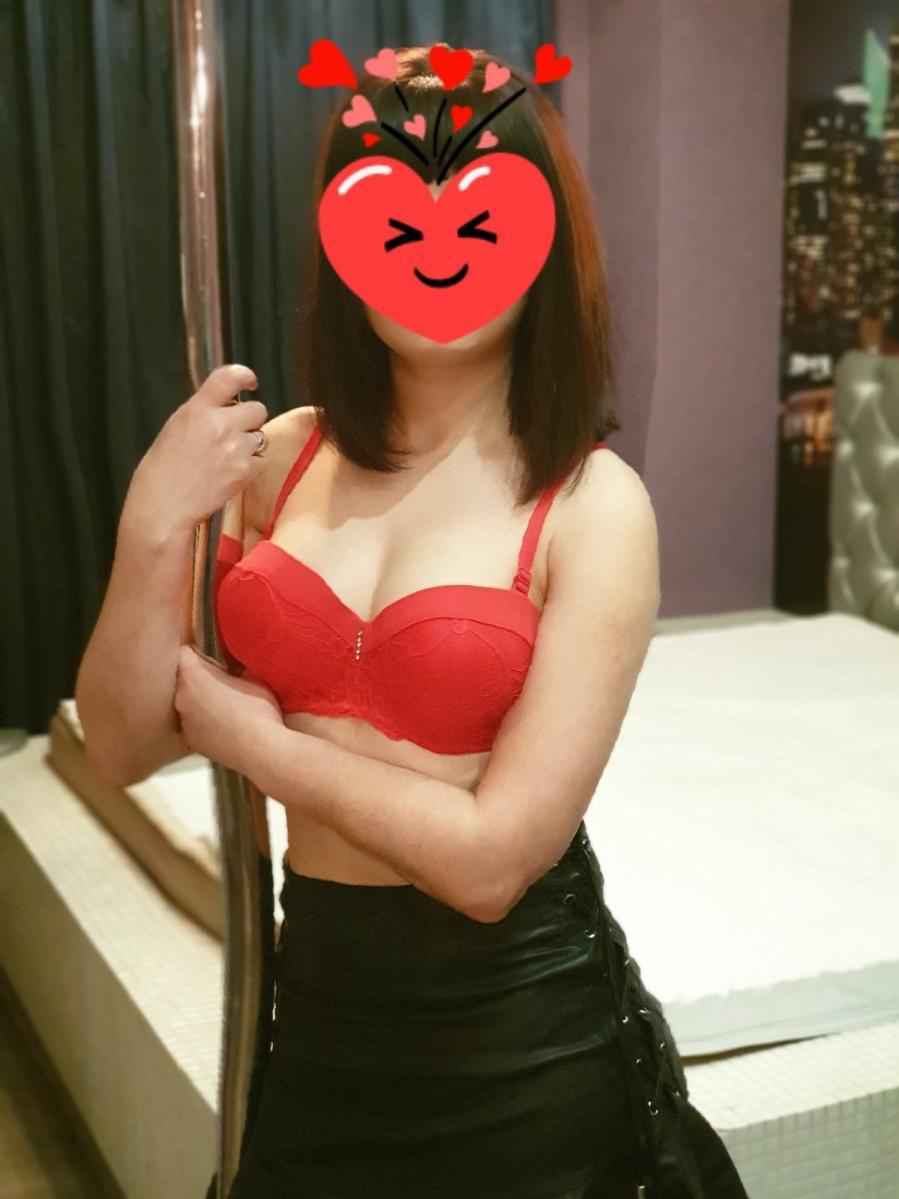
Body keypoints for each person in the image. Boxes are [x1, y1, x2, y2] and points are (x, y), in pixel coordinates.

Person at [78, 43, 750, 1199]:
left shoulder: (590, 507)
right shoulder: (275, 459)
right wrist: (151, 522)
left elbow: (490, 862)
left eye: (478, 217)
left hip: (525, 1050)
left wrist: (260, 748)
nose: (435, 252)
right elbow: (124, 739)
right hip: (320, 1028)